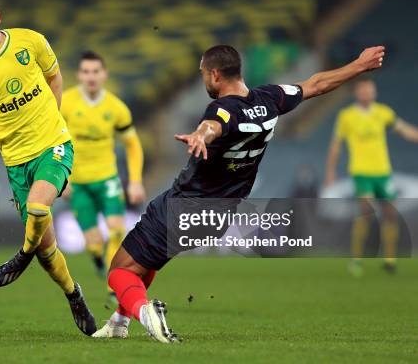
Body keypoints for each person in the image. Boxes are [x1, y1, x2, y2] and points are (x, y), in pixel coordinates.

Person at [93, 44, 386, 343]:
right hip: (219, 215)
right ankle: (120, 322)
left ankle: (145, 313)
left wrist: (200, 134)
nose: (204, 81)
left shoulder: (222, 109)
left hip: (185, 206)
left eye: (204, 75)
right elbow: (316, 84)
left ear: (216, 74)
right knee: (147, 260)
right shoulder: (270, 99)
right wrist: (359, 65)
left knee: (119, 271)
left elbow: (214, 125)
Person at [0, 0, 96, 335]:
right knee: (49, 251)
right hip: (15, 162)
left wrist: (54, 120)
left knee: (37, 207)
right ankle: (73, 294)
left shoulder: (30, 42)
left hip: (53, 146)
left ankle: (21, 255)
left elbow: (55, 78)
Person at [60, 51, 145, 298]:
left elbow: (133, 144)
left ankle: (113, 284)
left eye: (95, 71)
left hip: (107, 178)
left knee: (116, 229)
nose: (91, 77)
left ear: (104, 74)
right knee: (94, 241)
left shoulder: (116, 108)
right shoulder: (65, 103)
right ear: (79, 75)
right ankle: (97, 256)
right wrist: (60, 179)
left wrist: (136, 181)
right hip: (77, 183)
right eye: (86, 71)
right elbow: (52, 142)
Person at [325, 78, 418, 276]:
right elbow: (336, 145)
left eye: (370, 90)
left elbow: (404, 130)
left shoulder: (383, 113)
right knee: (365, 211)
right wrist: (330, 171)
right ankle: (356, 260)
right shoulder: (346, 116)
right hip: (361, 172)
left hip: (383, 172)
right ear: (357, 93)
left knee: (390, 213)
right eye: (364, 90)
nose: (367, 93)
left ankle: (389, 260)